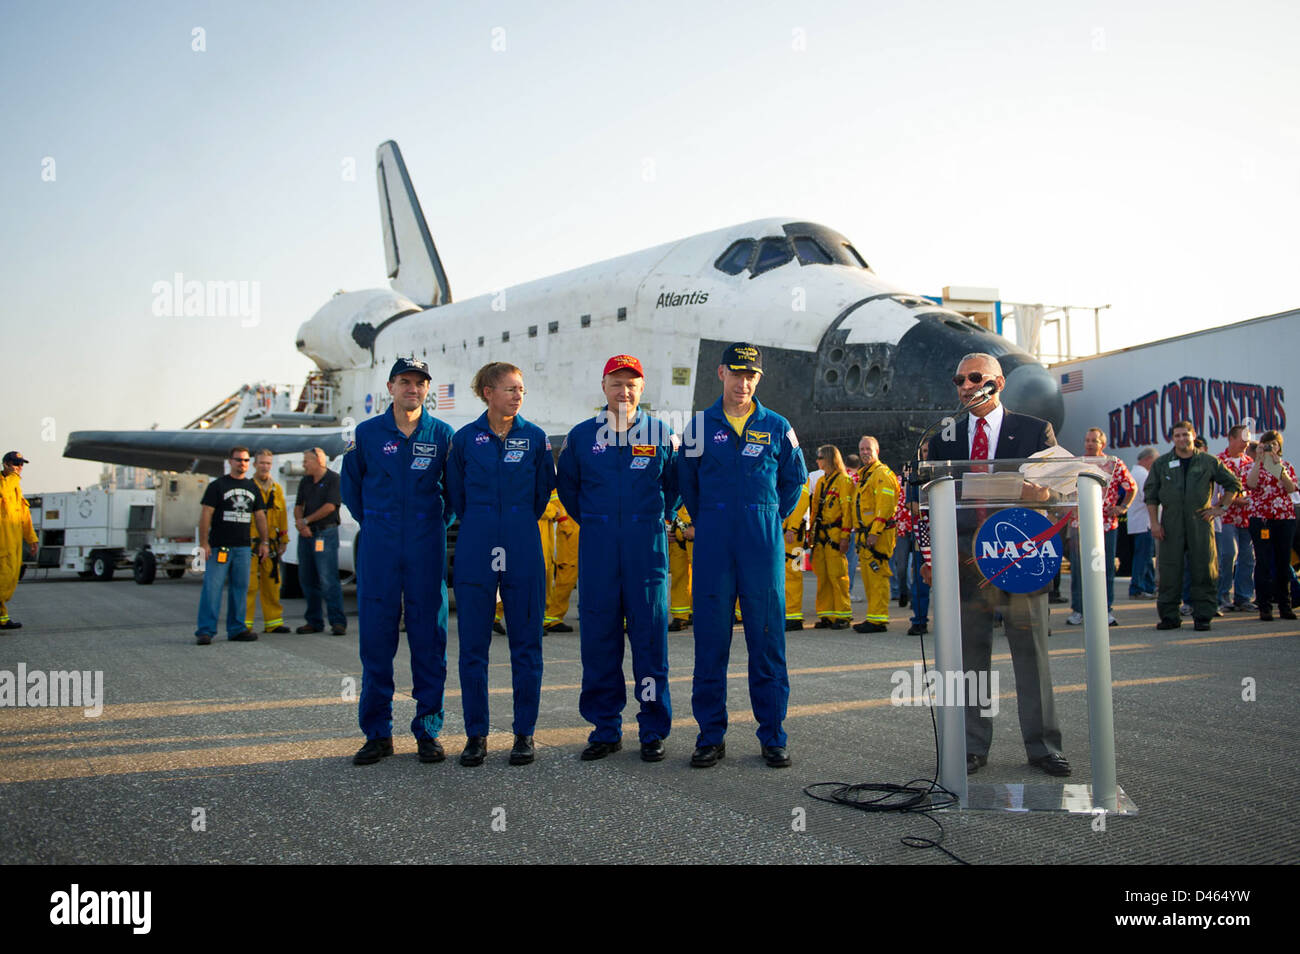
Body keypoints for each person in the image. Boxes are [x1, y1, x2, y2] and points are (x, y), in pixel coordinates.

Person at [927, 352, 1070, 777]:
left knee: (1032, 653)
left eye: (974, 378)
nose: (966, 386)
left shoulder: (1032, 430)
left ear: (998, 383)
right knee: (971, 655)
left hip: (1018, 554)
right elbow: (933, 498)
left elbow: (1061, 490)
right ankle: (972, 746)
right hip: (967, 557)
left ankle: (1043, 746)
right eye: (959, 380)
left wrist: (1041, 494)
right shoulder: (945, 436)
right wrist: (934, 556)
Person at [678, 342, 808, 769]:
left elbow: (795, 479)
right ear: (721, 374)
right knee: (710, 642)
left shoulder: (777, 425)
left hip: (762, 542)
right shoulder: (698, 428)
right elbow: (688, 483)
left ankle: (773, 735)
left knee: (768, 642)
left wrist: (770, 514)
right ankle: (710, 736)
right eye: (737, 373)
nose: (743, 382)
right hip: (714, 544)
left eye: (751, 375)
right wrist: (711, 518)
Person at [557, 354, 677, 762]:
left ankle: (652, 729)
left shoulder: (661, 433)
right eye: (616, 383)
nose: (624, 391)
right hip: (599, 548)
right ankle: (605, 728)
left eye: (632, 384)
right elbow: (570, 491)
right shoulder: (580, 437)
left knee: (649, 642)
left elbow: (675, 487)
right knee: (599, 641)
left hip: (647, 549)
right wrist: (598, 521)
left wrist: (654, 518)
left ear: (641, 389)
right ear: (603, 387)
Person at [341, 357, 456, 766]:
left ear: (428, 390)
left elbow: (453, 495)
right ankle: (377, 733)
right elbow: (352, 489)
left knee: (430, 641)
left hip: (426, 548)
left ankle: (428, 730)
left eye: (420, 383)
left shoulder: (443, 435)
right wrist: (377, 523)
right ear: (390, 387)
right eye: (405, 381)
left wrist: (430, 526)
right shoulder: (367, 433)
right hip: (380, 548)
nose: (413, 388)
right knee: (376, 641)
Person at [447, 362, 556, 767]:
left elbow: (543, 491)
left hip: (522, 542)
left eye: (521, 389)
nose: (518, 395)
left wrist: (512, 521)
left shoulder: (535, 438)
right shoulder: (464, 440)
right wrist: (484, 521)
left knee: (526, 644)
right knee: (473, 646)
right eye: (510, 388)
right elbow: (456, 495)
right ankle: (475, 735)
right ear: (487, 392)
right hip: (476, 542)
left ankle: (524, 734)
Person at [1144, 421, 1241, 632]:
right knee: (1169, 571)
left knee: (1204, 569)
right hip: (1170, 524)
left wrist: (1220, 507)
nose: (1181, 439)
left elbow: (1233, 484)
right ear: (1172, 438)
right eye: (1177, 435)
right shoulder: (1161, 464)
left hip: (1201, 523)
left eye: (1185, 435)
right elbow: (1150, 496)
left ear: (1193, 435)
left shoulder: (1208, 462)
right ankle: (1169, 616)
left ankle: (1203, 616)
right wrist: (1154, 523)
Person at [195, 447, 269, 644]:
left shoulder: (253, 487)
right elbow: (206, 513)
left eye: (245, 460)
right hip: (220, 547)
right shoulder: (217, 486)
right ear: (230, 461)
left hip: (243, 548)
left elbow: (260, 516)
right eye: (238, 460)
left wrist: (265, 542)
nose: (242, 464)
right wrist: (204, 543)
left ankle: (237, 629)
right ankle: (205, 631)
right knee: (212, 589)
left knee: (240, 589)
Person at [1066, 428, 1135, 627]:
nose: (1089, 444)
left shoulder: (1113, 463)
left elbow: (1131, 486)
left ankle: (1105, 610)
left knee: (1104, 568)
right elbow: (1064, 489)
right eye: (1087, 440)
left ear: (1101, 444)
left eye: (1094, 441)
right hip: (1079, 523)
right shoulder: (1076, 464)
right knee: (1079, 568)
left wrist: (1123, 507)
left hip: (1106, 524)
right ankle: (1078, 610)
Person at [1244, 430, 1297, 622]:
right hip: (1261, 518)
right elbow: (1250, 485)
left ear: (1279, 446)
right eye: (1266, 445)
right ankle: (1264, 606)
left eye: (1273, 445)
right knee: (1263, 562)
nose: (1269, 448)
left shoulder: (1286, 466)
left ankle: (1285, 605)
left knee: (1283, 562)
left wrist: (1278, 468)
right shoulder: (1253, 466)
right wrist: (1259, 460)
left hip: (1284, 518)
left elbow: (1291, 488)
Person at [295, 447, 347, 636]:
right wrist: (301, 525)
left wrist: (307, 521)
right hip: (307, 535)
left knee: (328, 579)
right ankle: (314, 621)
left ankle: (338, 621)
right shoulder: (305, 481)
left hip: (325, 535)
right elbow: (298, 506)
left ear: (318, 460)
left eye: (306, 460)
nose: (303, 464)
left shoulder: (333, 479)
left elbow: (330, 507)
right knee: (308, 579)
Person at [850, 435, 898, 634]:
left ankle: (878, 619)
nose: (864, 452)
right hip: (866, 534)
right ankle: (873, 616)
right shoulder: (865, 475)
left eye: (868, 449)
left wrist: (875, 532)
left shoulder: (881, 474)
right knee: (870, 577)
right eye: (862, 449)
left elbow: (885, 506)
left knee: (878, 575)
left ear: (877, 451)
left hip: (877, 534)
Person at [243, 449, 290, 634]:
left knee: (272, 584)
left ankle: (273, 622)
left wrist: (283, 540)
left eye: (268, 463)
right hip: (250, 542)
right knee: (249, 585)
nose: (265, 466)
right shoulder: (247, 487)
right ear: (254, 465)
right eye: (262, 463)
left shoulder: (276, 489)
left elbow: (282, 516)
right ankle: (244, 624)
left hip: (271, 543)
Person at [809, 446, 853, 629]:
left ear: (828, 459)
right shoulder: (821, 482)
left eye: (820, 457)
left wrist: (845, 537)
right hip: (821, 536)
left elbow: (847, 512)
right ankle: (826, 613)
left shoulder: (843, 481)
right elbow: (815, 510)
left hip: (835, 535)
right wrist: (811, 534)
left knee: (838, 576)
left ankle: (843, 614)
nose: (817, 461)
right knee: (823, 576)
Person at [1216, 424, 1256, 612]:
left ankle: (1243, 596)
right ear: (1231, 439)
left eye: (1247, 440)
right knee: (1228, 554)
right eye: (1242, 439)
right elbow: (1215, 491)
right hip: (1226, 516)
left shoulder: (1250, 461)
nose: (1245, 444)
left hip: (1247, 517)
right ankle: (1222, 594)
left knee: (1248, 557)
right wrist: (1234, 501)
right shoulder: (1219, 461)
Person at [0, 452, 38, 630]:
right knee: (3, 580)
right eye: (16, 463)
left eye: (21, 464)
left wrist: (31, 539)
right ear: (6, 464)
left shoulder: (16, 487)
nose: (19, 467)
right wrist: (13, 477)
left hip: (13, 543)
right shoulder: (6, 483)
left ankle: (2, 618)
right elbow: (3, 491)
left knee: (11, 579)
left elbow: (24, 516)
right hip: (2, 542)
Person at [542, 490, 578, 633]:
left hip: (580, 526)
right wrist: (564, 522)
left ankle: (551, 616)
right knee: (566, 574)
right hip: (570, 529)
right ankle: (552, 616)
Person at [1126, 447, 1158, 599]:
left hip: (1137, 522)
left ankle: (1149, 586)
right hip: (1144, 522)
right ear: (1148, 459)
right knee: (1143, 556)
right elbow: (1150, 498)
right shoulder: (1144, 475)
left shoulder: (1134, 473)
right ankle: (1137, 588)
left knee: (1145, 556)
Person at [782, 482, 811, 631]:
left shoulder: (800, 479)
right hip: (789, 536)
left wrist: (792, 528)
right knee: (787, 577)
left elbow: (801, 504)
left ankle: (793, 616)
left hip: (793, 537)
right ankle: (789, 614)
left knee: (793, 575)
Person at [667, 504, 694, 631]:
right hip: (675, 527)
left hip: (694, 527)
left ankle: (701, 611)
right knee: (678, 574)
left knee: (704, 576)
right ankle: (680, 616)